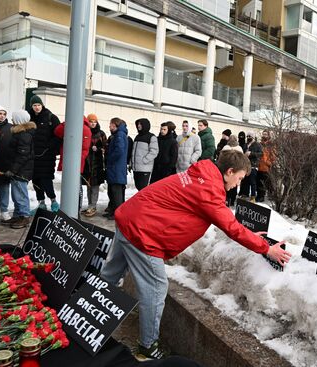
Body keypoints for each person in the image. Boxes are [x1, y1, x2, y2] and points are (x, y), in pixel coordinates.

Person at [100, 150, 291, 360]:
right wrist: (266, 248)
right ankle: (147, 347)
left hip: (129, 218)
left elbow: (224, 219)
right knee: (156, 289)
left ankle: (87, 312)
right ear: (229, 172)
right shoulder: (209, 190)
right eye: (239, 178)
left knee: (109, 275)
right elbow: (230, 227)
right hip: (142, 233)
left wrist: (249, 235)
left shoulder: (202, 176)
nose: (238, 184)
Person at [2, 110, 36, 229]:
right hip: (19, 169)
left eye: (13, 118)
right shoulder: (20, 133)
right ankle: (17, 215)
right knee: (16, 193)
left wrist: (13, 170)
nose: (11, 120)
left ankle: (24, 216)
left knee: (20, 194)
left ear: (19, 120)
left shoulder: (24, 134)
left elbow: (23, 155)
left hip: (21, 171)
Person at [27, 95, 61, 213]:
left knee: (46, 179)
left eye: (39, 105)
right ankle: (41, 203)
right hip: (32, 156)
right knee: (36, 180)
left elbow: (58, 135)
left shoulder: (51, 117)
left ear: (42, 105)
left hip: (47, 156)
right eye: (34, 105)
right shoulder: (28, 117)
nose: (37, 107)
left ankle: (53, 201)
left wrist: (49, 147)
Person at [54, 116, 92, 214]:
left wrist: (76, 162)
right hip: (68, 161)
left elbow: (85, 149)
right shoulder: (69, 125)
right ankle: (68, 208)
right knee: (68, 187)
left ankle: (77, 209)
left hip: (76, 163)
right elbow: (57, 132)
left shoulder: (85, 129)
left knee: (76, 187)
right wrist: (66, 123)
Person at [81, 113, 107, 217]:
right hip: (87, 164)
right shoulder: (85, 131)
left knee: (95, 186)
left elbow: (106, 147)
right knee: (88, 186)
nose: (93, 124)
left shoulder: (101, 134)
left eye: (94, 122)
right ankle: (89, 205)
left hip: (97, 164)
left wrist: (100, 149)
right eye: (91, 122)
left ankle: (93, 205)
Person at [104, 118, 128, 220]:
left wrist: (110, 158)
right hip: (116, 168)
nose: (109, 126)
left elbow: (119, 150)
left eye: (110, 124)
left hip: (116, 168)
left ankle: (117, 214)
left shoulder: (119, 135)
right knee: (113, 191)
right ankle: (113, 211)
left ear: (115, 125)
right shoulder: (118, 135)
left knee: (116, 192)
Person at [131, 118, 158, 191]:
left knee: (143, 188)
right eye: (138, 124)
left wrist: (144, 160)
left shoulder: (151, 137)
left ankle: (145, 202)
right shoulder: (137, 137)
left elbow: (154, 151)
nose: (139, 126)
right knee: (138, 188)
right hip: (136, 168)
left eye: (140, 124)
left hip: (144, 168)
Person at [240, 131, 263, 203]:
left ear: (253, 137)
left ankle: (253, 196)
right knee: (245, 181)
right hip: (246, 165)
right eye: (247, 136)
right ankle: (245, 194)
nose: (248, 138)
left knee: (252, 181)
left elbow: (261, 154)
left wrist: (251, 153)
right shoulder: (245, 145)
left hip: (253, 165)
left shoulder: (258, 145)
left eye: (250, 136)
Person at [221, 135, 242, 206]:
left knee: (226, 185)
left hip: (226, 169)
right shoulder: (239, 148)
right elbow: (242, 160)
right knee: (234, 186)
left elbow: (221, 159)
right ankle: (232, 200)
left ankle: (226, 199)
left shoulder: (225, 148)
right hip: (235, 169)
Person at [257, 130, 274, 203]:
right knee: (259, 182)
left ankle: (265, 196)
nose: (264, 136)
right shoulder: (259, 144)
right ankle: (260, 195)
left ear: (268, 135)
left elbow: (273, 156)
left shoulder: (270, 145)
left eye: (266, 134)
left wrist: (268, 163)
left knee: (266, 183)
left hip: (266, 167)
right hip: (259, 166)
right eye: (263, 134)